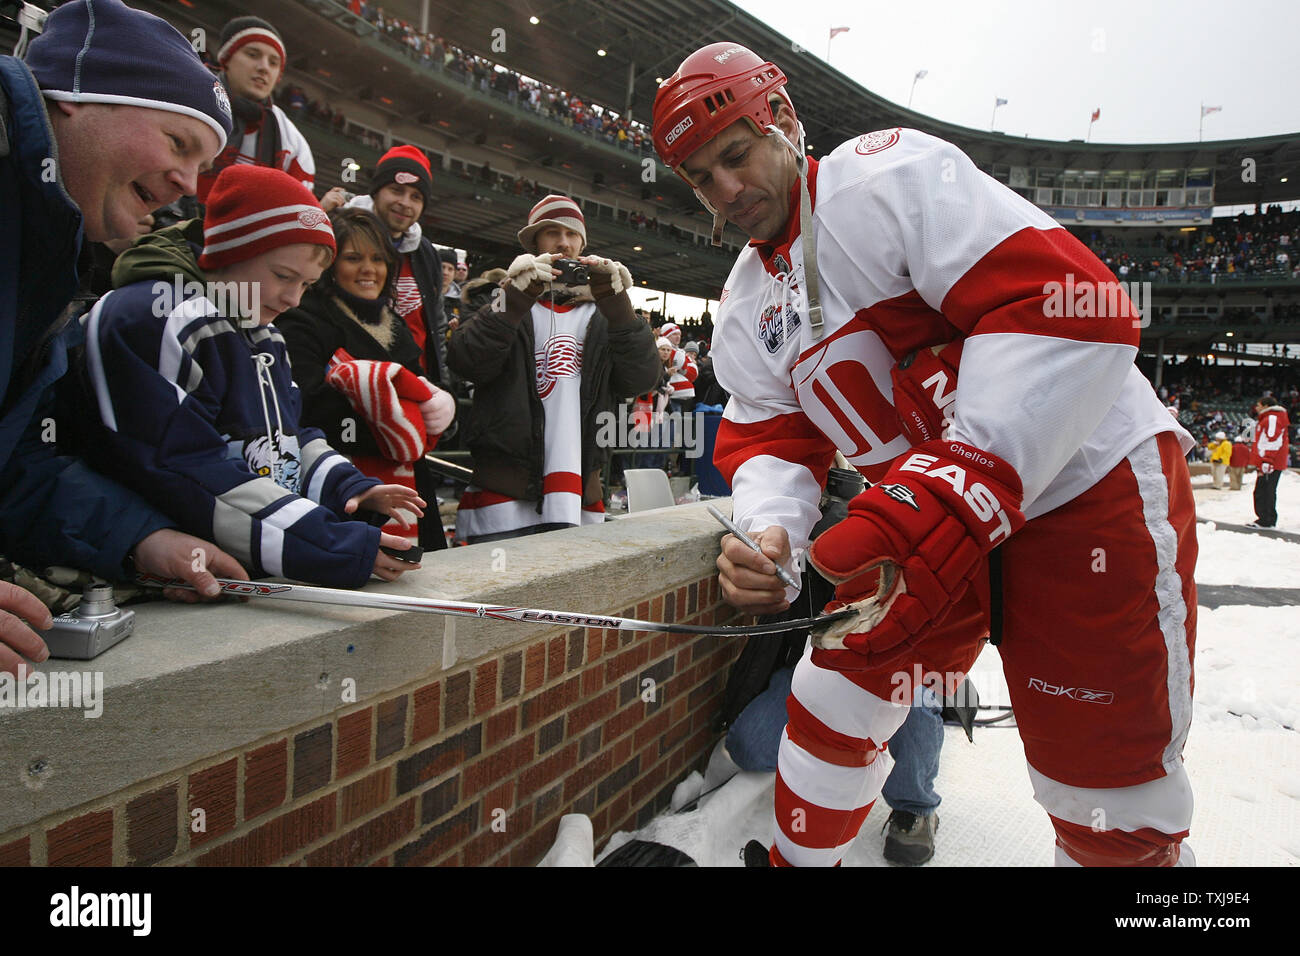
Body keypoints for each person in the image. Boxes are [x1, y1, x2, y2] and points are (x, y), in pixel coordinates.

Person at [653, 43, 1197, 867]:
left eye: (736, 153)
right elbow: (770, 434)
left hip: (1081, 482)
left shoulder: (886, 179)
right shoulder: (742, 304)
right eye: (701, 177)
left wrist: (961, 476)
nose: (727, 189)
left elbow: (1073, 307)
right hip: (931, 517)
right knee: (834, 695)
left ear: (785, 122)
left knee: (1109, 793)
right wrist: (773, 534)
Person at [0, 0, 248, 678]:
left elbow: (17, 461)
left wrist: (143, 538)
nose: (187, 187)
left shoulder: (50, 255)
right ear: (80, 99)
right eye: (178, 144)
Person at [78, 165, 424, 587]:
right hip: (145, 577)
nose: (293, 299)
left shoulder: (263, 328)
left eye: (307, 285)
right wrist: (331, 545)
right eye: (283, 276)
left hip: (221, 572)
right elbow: (186, 473)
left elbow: (292, 438)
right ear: (229, 250)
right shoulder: (158, 316)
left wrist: (347, 488)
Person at [446, 195, 660, 542]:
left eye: (572, 234)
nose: (564, 242)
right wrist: (512, 298)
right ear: (534, 244)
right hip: (504, 496)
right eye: (552, 232)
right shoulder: (500, 299)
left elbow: (641, 378)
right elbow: (466, 361)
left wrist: (620, 307)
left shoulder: (606, 312)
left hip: (579, 492)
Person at [277, 207, 456, 550]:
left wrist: (439, 406)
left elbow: (421, 390)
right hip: (341, 487)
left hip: (409, 484)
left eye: (378, 258)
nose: (368, 270)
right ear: (329, 265)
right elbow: (306, 406)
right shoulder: (304, 319)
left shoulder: (396, 325)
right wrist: (391, 420)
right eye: (353, 258)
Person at [321, 146, 452, 393]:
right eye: (396, 190)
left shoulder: (425, 252)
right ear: (376, 192)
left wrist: (441, 387)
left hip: (413, 385)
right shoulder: (337, 231)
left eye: (416, 197)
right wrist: (316, 215)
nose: (405, 203)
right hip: (349, 386)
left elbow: (435, 323)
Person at [196, 15, 315, 204]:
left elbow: (291, 210)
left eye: (273, 62)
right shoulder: (190, 101)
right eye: (252, 55)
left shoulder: (293, 142)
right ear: (226, 59)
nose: (264, 68)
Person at [1246, 395, 1290, 528]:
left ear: (1265, 406)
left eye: (1258, 405)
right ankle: (1266, 518)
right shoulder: (1269, 417)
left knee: (1265, 490)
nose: (1256, 408)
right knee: (1264, 489)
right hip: (1268, 461)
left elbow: (1273, 439)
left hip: (1270, 462)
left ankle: (1266, 519)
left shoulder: (1272, 418)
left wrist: (1268, 460)